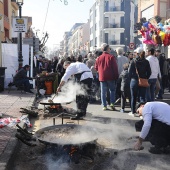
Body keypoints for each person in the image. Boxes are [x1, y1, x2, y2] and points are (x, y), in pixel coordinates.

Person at [95, 43, 118, 111]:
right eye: (109, 48)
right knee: (112, 90)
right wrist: (116, 76)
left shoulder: (99, 58)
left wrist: (100, 71)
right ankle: (112, 103)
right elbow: (115, 68)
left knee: (103, 92)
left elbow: (96, 67)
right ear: (107, 49)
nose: (110, 50)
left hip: (102, 77)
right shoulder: (111, 57)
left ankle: (104, 105)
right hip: (111, 76)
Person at [128, 48, 151, 117]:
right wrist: (146, 78)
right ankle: (142, 112)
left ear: (137, 53)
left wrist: (132, 78)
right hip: (143, 80)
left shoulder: (133, 61)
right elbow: (149, 72)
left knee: (133, 97)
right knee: (142, 97)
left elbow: (129, 72)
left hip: (134, 80)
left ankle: (133, 112)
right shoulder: (146, 61)